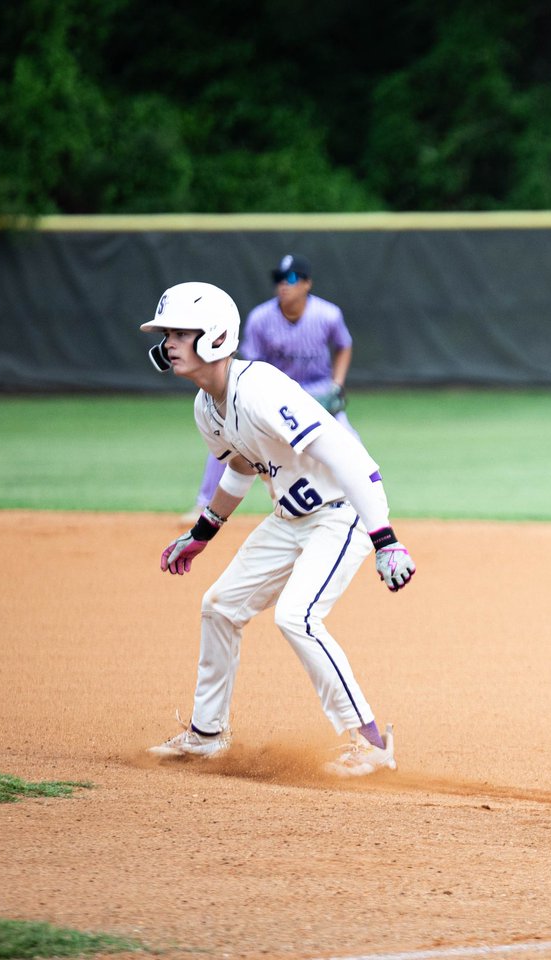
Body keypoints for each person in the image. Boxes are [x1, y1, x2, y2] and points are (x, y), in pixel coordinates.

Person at [142, 280, 415, 777]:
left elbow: (345, 454)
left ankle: (372, 742)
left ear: (215, 338)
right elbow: (241, 468)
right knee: (220, 606)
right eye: (167, 335)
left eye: (181, 333)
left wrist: (385, 539)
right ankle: (206, 734)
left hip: (341, 513)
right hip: (291, 519)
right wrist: (202, 534)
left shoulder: (261, 388)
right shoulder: (207, 407)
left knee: (297, 616)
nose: (169, 344)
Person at [183, 254, 356, 521]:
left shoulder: (328, 314)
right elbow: (249, 364)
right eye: (279, 279)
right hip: (275, 393)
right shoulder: (261, 318)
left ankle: (358, 503)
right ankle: (203, 504)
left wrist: (337, 383)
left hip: (317, 392)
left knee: (350, 441)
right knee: (230, 441)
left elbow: (344, 344)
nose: (283, 285)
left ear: (307, 283)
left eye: (291, 278)